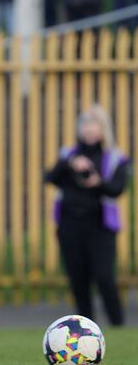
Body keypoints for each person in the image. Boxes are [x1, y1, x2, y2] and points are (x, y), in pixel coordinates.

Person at [45, 106, 129, 326]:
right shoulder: (68, 155)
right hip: (70, 225)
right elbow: (50, 177)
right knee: (78, 279)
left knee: (104, 276)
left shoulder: (115, 158)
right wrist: (70, 164)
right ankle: (86, 328)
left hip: (100, 226)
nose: (89, 129)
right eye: (85, 124)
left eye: (94, 125)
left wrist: (97, 181)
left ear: (103, 129)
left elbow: (117, 188)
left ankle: (118, 324)